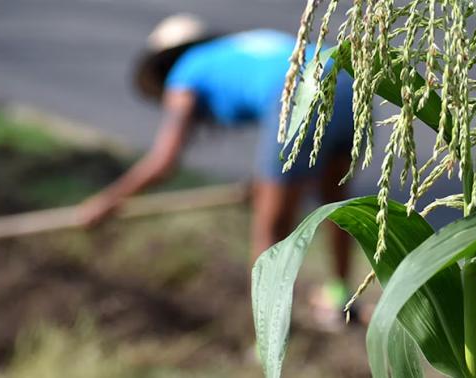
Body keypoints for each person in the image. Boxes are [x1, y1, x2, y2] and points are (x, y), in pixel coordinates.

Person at [79, 14, 355, 325]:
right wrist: (265, 186)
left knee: (270, 234)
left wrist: (108, 202)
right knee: (337, 203)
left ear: (163, 65)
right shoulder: (239, 47)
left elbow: (163, 162)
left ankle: (268, 334)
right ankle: (341, 298)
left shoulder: (184, 73)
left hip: (296, 96)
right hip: (346, 80)